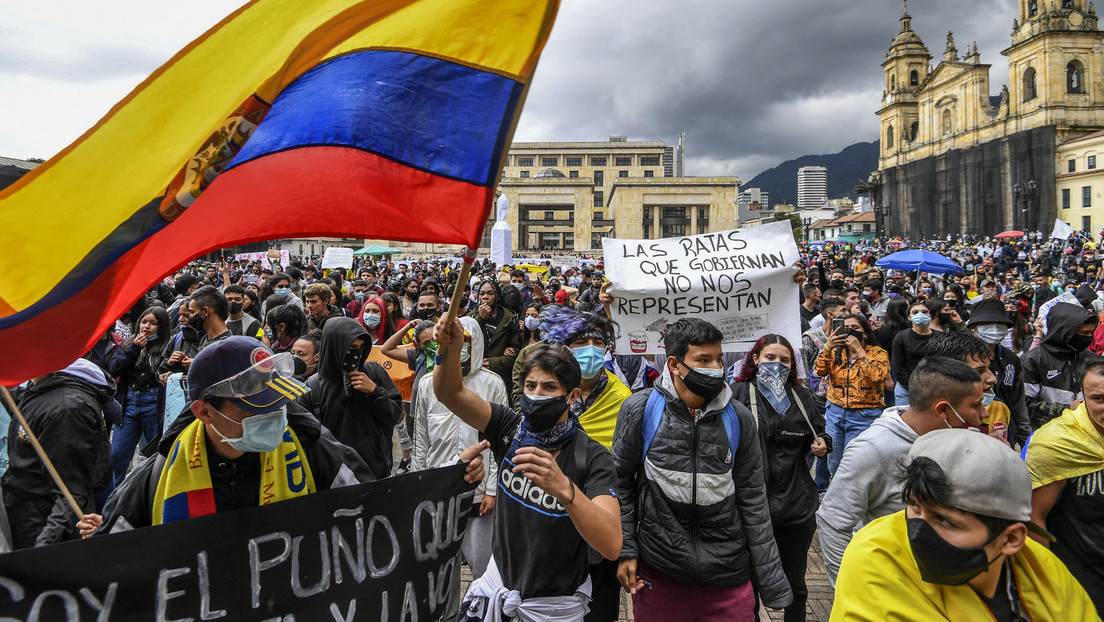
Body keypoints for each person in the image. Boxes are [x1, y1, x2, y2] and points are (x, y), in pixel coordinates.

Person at [80, 336, 486, 535]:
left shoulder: (314, 451)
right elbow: (114, 569)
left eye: (277, 403)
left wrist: (449, 484)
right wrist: (98, 537)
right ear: (204, 411)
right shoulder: (157, 477)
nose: (276, 417)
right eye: (256, 409)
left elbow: (380, 510)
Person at [432, 321, 621, 621]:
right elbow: (449, 392)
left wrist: (566, 491)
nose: (536, 395)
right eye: (531, 386)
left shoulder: (592, 456)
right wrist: (449, 349)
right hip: (499, 591)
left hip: (552, 608)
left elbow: (611, 544)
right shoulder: (509, 428)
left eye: (549, 388)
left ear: (571, 396)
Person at [613, 318, 792, 621]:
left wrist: (772, 583)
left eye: (719, 359)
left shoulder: (739, 418)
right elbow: (620, 483)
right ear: (674, 364)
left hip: (727, 575)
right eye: (704, 360)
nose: (715, 368)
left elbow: (753, 501)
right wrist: (626, 550)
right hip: (660, 571)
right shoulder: (640, 410)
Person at [832, 429, 1098, 621]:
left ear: (1011, 539)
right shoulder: (875, 553)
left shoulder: (1039, 566)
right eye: (914, 506)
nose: (918, 530)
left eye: (945, 520)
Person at [817, 357, 986, 585]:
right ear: (944, 409)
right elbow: (833, 522)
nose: (984, 413)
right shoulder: (873, 449)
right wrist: (853, 592)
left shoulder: (957, 437)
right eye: (976, 405)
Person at [731, 335, 829, 622]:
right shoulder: (736, 393)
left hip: (795, 505)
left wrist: (822, 443)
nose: (776, 364)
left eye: (784, 360)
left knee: (795, 585)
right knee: (748, 588)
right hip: (749, 507)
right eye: (770, 358)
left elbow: (819, 432)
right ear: (755, 359)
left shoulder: (801, 397)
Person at [412, 316, 503, 610]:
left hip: (480, 496)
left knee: (482, 566)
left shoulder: (492, 384)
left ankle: (483, 612)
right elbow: (421, 440)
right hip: (438, 493)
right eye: (455, 341)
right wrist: (418, 485)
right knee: (441, 567)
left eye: (466, 343)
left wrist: (492, 489)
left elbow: (501, 443)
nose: (461, 348)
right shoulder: (428, 384)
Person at [3, 359, 116, 548]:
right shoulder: (41, 384)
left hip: (42, 524)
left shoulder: (67, 410)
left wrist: (43, 547)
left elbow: (71, 493)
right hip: (24, 514)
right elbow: (28, 404)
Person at [1025, 359, 1104, 615]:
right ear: (1082, 398)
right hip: (1082, 572)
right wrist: (1050, 581)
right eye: (1099, 399)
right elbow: (1033, 517)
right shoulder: (1057, 444)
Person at [297, 317, 404, 479]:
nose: (357, 354)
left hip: (376, 472)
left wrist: (375, 392)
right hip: (333, 478)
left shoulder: (374, 373)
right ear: (334, 348)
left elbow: (395, 416)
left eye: (361, 347)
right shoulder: (312, 389)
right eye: (351, 348)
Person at [815, 313, 889, 474]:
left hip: (863, 415)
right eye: (846, 328)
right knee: (834, 462)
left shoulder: (877, 353)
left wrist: (859, 351)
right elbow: (819, 370)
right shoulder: (836, 352)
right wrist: (827, 347)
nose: (850, 332)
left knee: (857, 462)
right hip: (835, 413)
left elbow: (877, 375)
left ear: (865, 332)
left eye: (855, 328)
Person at [108, 306, 171, 488]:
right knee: (117, 454)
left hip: (153, 404)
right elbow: (113, 368)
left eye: (153, 323)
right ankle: (114, 500)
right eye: (144, 322)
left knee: (153, 456)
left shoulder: (167, 345)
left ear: (162, 326)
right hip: (128, 403)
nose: (147, 326)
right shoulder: (129, 343)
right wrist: (135, 348)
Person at [1022, 301, 1098, 428]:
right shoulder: (1033, 360)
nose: (1089, 338)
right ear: (1065, 332)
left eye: (1091, 333)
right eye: (1084, 333)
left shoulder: (1090, 358)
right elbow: (1024, 404)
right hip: (1050, 433)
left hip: (1089, 431)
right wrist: (1066, 409)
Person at [967, 298, 1032, 446]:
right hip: (972, 429)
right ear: (974, 327)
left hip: (1004, 429)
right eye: (987, 325)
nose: (995, 329)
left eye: (1000, 324)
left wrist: (1024, 438)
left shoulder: (1011, 359)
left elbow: (1018, 401)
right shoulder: (965, 356)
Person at [470, 279, 524, 387]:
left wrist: (493, 362)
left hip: (501, 378)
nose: (485, 297)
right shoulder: (471, 318)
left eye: (490, 293)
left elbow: (515, 353)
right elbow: (468, 342)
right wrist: (480, 319)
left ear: (498, 296)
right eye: (482, 294)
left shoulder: (510, 319)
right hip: (476, 377)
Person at [890, 301, 937, 407]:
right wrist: (914, 384)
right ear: (909, 317)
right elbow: (897, 366)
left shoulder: (940, 337)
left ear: (930, 315)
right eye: (915, 312)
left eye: (924, 311)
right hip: (907, 389)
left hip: (934, 388)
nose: (920, 315)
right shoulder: (901, 337)